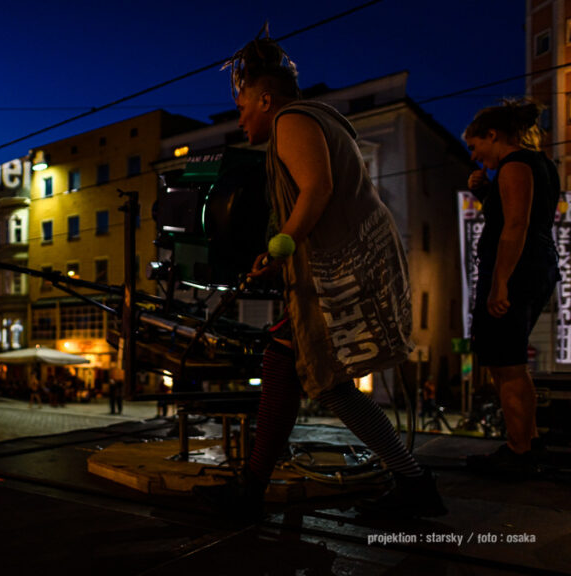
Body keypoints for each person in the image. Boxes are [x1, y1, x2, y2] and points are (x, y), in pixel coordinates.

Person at [194, 31, 446, 523]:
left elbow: (316, 188)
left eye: (242, 107)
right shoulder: (319, 120)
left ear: (266, 99)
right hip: (348, 266)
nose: (240, 119)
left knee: (325, 381)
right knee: (287, 363)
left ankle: (413, 482)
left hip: (339, 274)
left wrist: (280, 246)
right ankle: (254, 488)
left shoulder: (291, 120)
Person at [462, 99, 558, 477]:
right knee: (509, 361)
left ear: (492, 135)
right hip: (534, 267)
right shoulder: (539, 164)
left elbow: (516, 225)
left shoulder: (515, 164)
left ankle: (519, 452)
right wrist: (486, 193)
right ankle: (527, 442)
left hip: (516, 271)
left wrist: (499, 283)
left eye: (475, 146)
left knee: (506, 363)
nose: (474, 156)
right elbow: (519, 214)